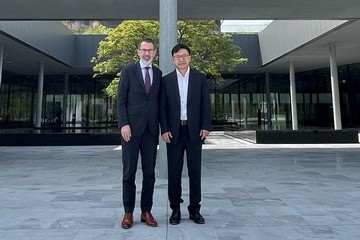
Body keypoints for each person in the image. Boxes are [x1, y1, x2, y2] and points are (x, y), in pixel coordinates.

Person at [160, 43, 212, 225]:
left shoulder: (200, 78)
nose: (181, 59)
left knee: (194, 172)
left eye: (184, 56)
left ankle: (195, 210)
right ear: (173, 59)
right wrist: (164, 129)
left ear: (189, 57)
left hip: (195, 131)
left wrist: (206, 125)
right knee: (174, 173)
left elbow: (206, 104)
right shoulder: (165, 81)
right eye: (177, 56)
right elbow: (162, 108)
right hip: (173, 133)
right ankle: (175, 209)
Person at [117, 38, 162, 229]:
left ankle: (146, 211)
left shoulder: (158, 74)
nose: (147, 53)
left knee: (149, 173)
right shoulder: (128, 71)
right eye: (144, 50)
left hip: (151, 130)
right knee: (129, 173)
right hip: (131, 131)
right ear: (138, 52)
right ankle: (128, 212)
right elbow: (120, 100)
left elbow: (160, 103)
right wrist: (124, 124)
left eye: (150, 50)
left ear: (155, 52)